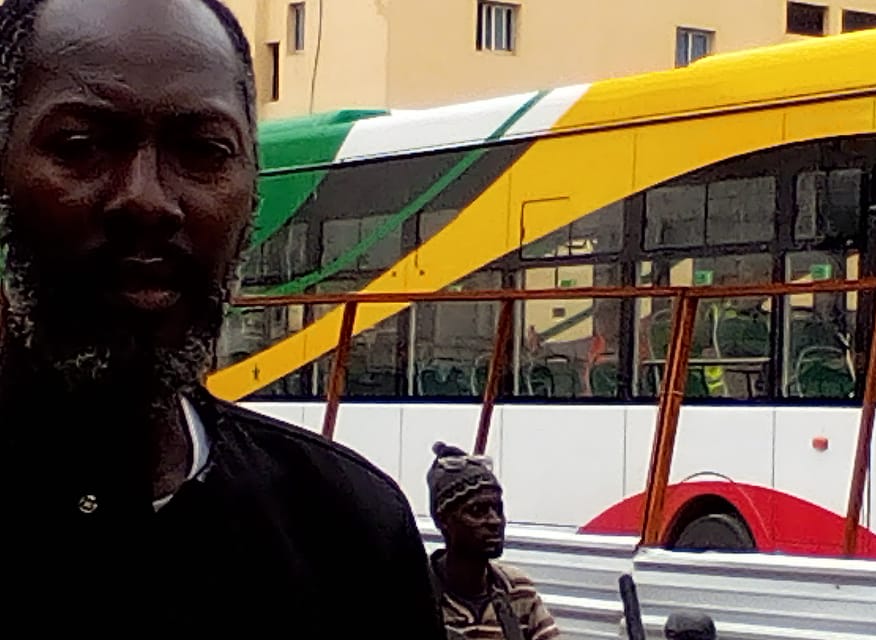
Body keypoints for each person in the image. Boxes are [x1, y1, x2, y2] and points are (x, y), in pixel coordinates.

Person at [0, 0, 445, 633]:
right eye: (82, 145)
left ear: (252, 191)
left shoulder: (350, 531)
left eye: (204, 150)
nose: (147, 201)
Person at [427, 442, 561, 640]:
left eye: (497, 509)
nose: (494, 521)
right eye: (476, 511)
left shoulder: (516, 589)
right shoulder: (414, 591)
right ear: (443, 520)